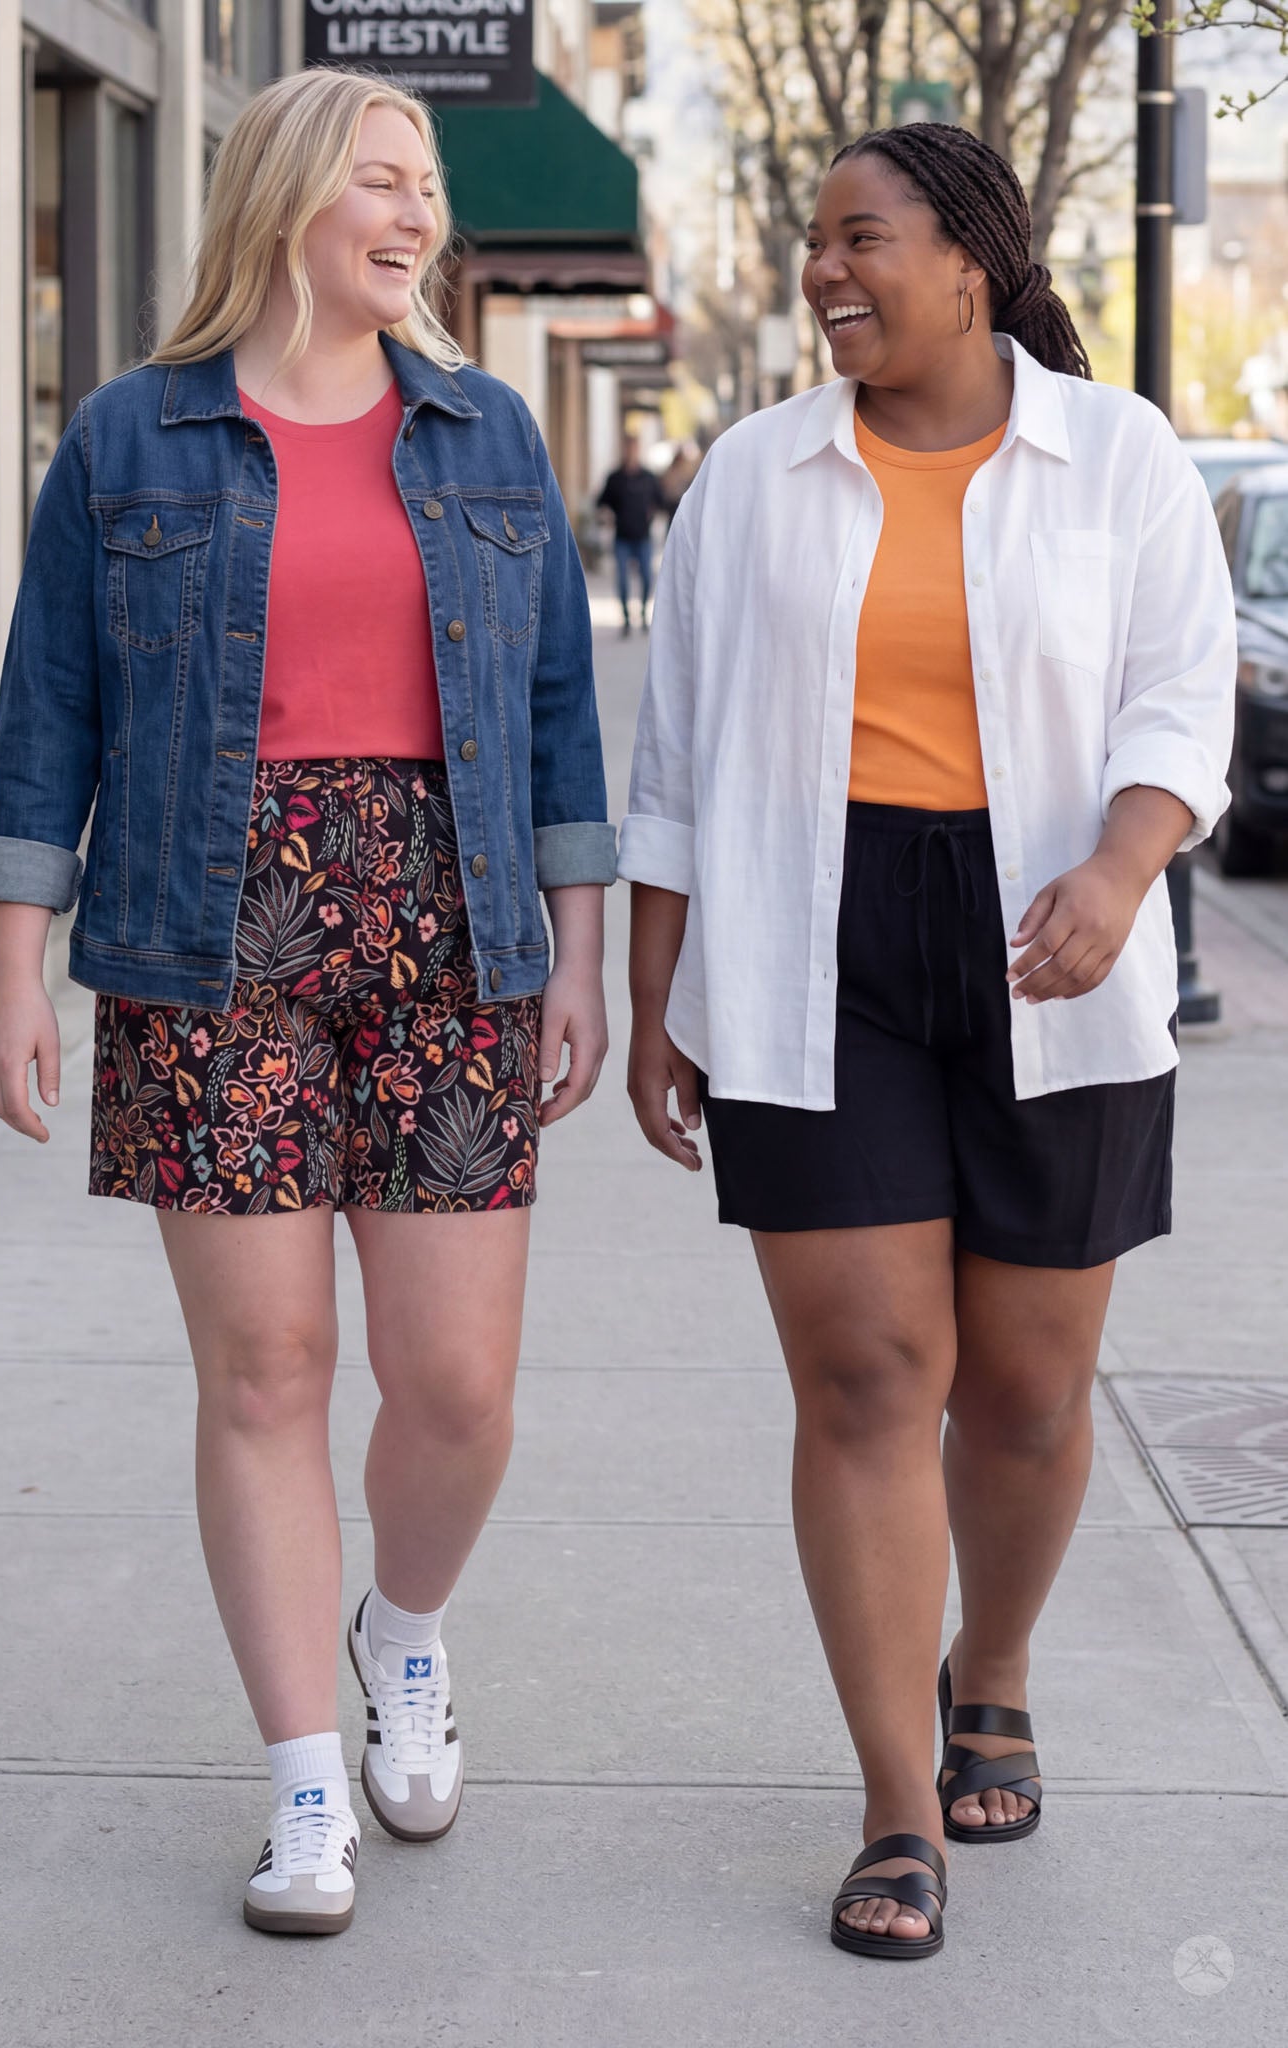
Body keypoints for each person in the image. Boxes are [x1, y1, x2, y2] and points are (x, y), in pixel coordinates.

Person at [0, 69, 615, 1938]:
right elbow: (47, 717)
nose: (417, 217)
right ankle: (302, 1782)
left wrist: (575, 948)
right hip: (207, 923)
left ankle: (400, 1630)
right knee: (264, 1373)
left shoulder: (487, 431)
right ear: (284, 200)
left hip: (449, 918)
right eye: (383, 183)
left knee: (457, 1385)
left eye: (428, 187)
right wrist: (15, 961)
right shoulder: (131, 439)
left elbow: (561, 708)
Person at [619, 122, 1235, 1960]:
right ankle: (899, 1803)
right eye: (813, 239)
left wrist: (1127, 866)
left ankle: (999, 1660)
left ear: (971, 258)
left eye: (859, 237)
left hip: (1059, 943)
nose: (826, 270)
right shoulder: (752, 475)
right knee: (871, 1378)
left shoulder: (1116, 455)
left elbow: (1181, 700)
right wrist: (666, 990)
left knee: (1030, 1390)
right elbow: (679, 756)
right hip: (816, 946)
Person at [597, 434, 665, 634]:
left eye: (634, 448)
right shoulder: (615, 478)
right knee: (622, 580)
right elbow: (601, 503)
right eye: (628, 448)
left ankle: (643, 613)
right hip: (622, 537)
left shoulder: (648, 477)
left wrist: (651, 514)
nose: (631, 452)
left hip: (643, 536)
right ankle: (626, 619)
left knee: (646, 576)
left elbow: (660, 502)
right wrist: (607, 516)